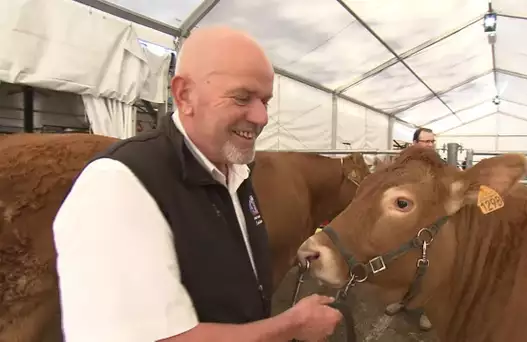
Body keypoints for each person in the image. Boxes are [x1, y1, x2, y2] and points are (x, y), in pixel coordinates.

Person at [53, 26, 342, 342]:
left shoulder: (236, 172)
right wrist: (290, 326)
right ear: (184, 95)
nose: (261, 117)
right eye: (243, 97)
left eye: (265, 101)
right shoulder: (119, 186)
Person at [383, 127, 435, 331]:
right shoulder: (403, 165)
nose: (430, 145)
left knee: (431, 267)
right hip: (406, 224)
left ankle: (428, 309)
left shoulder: (440, 165)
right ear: (415, 143)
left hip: (432, 226)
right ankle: (404, 301)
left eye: (432, 141)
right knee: (405, 264)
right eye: (426, 141)